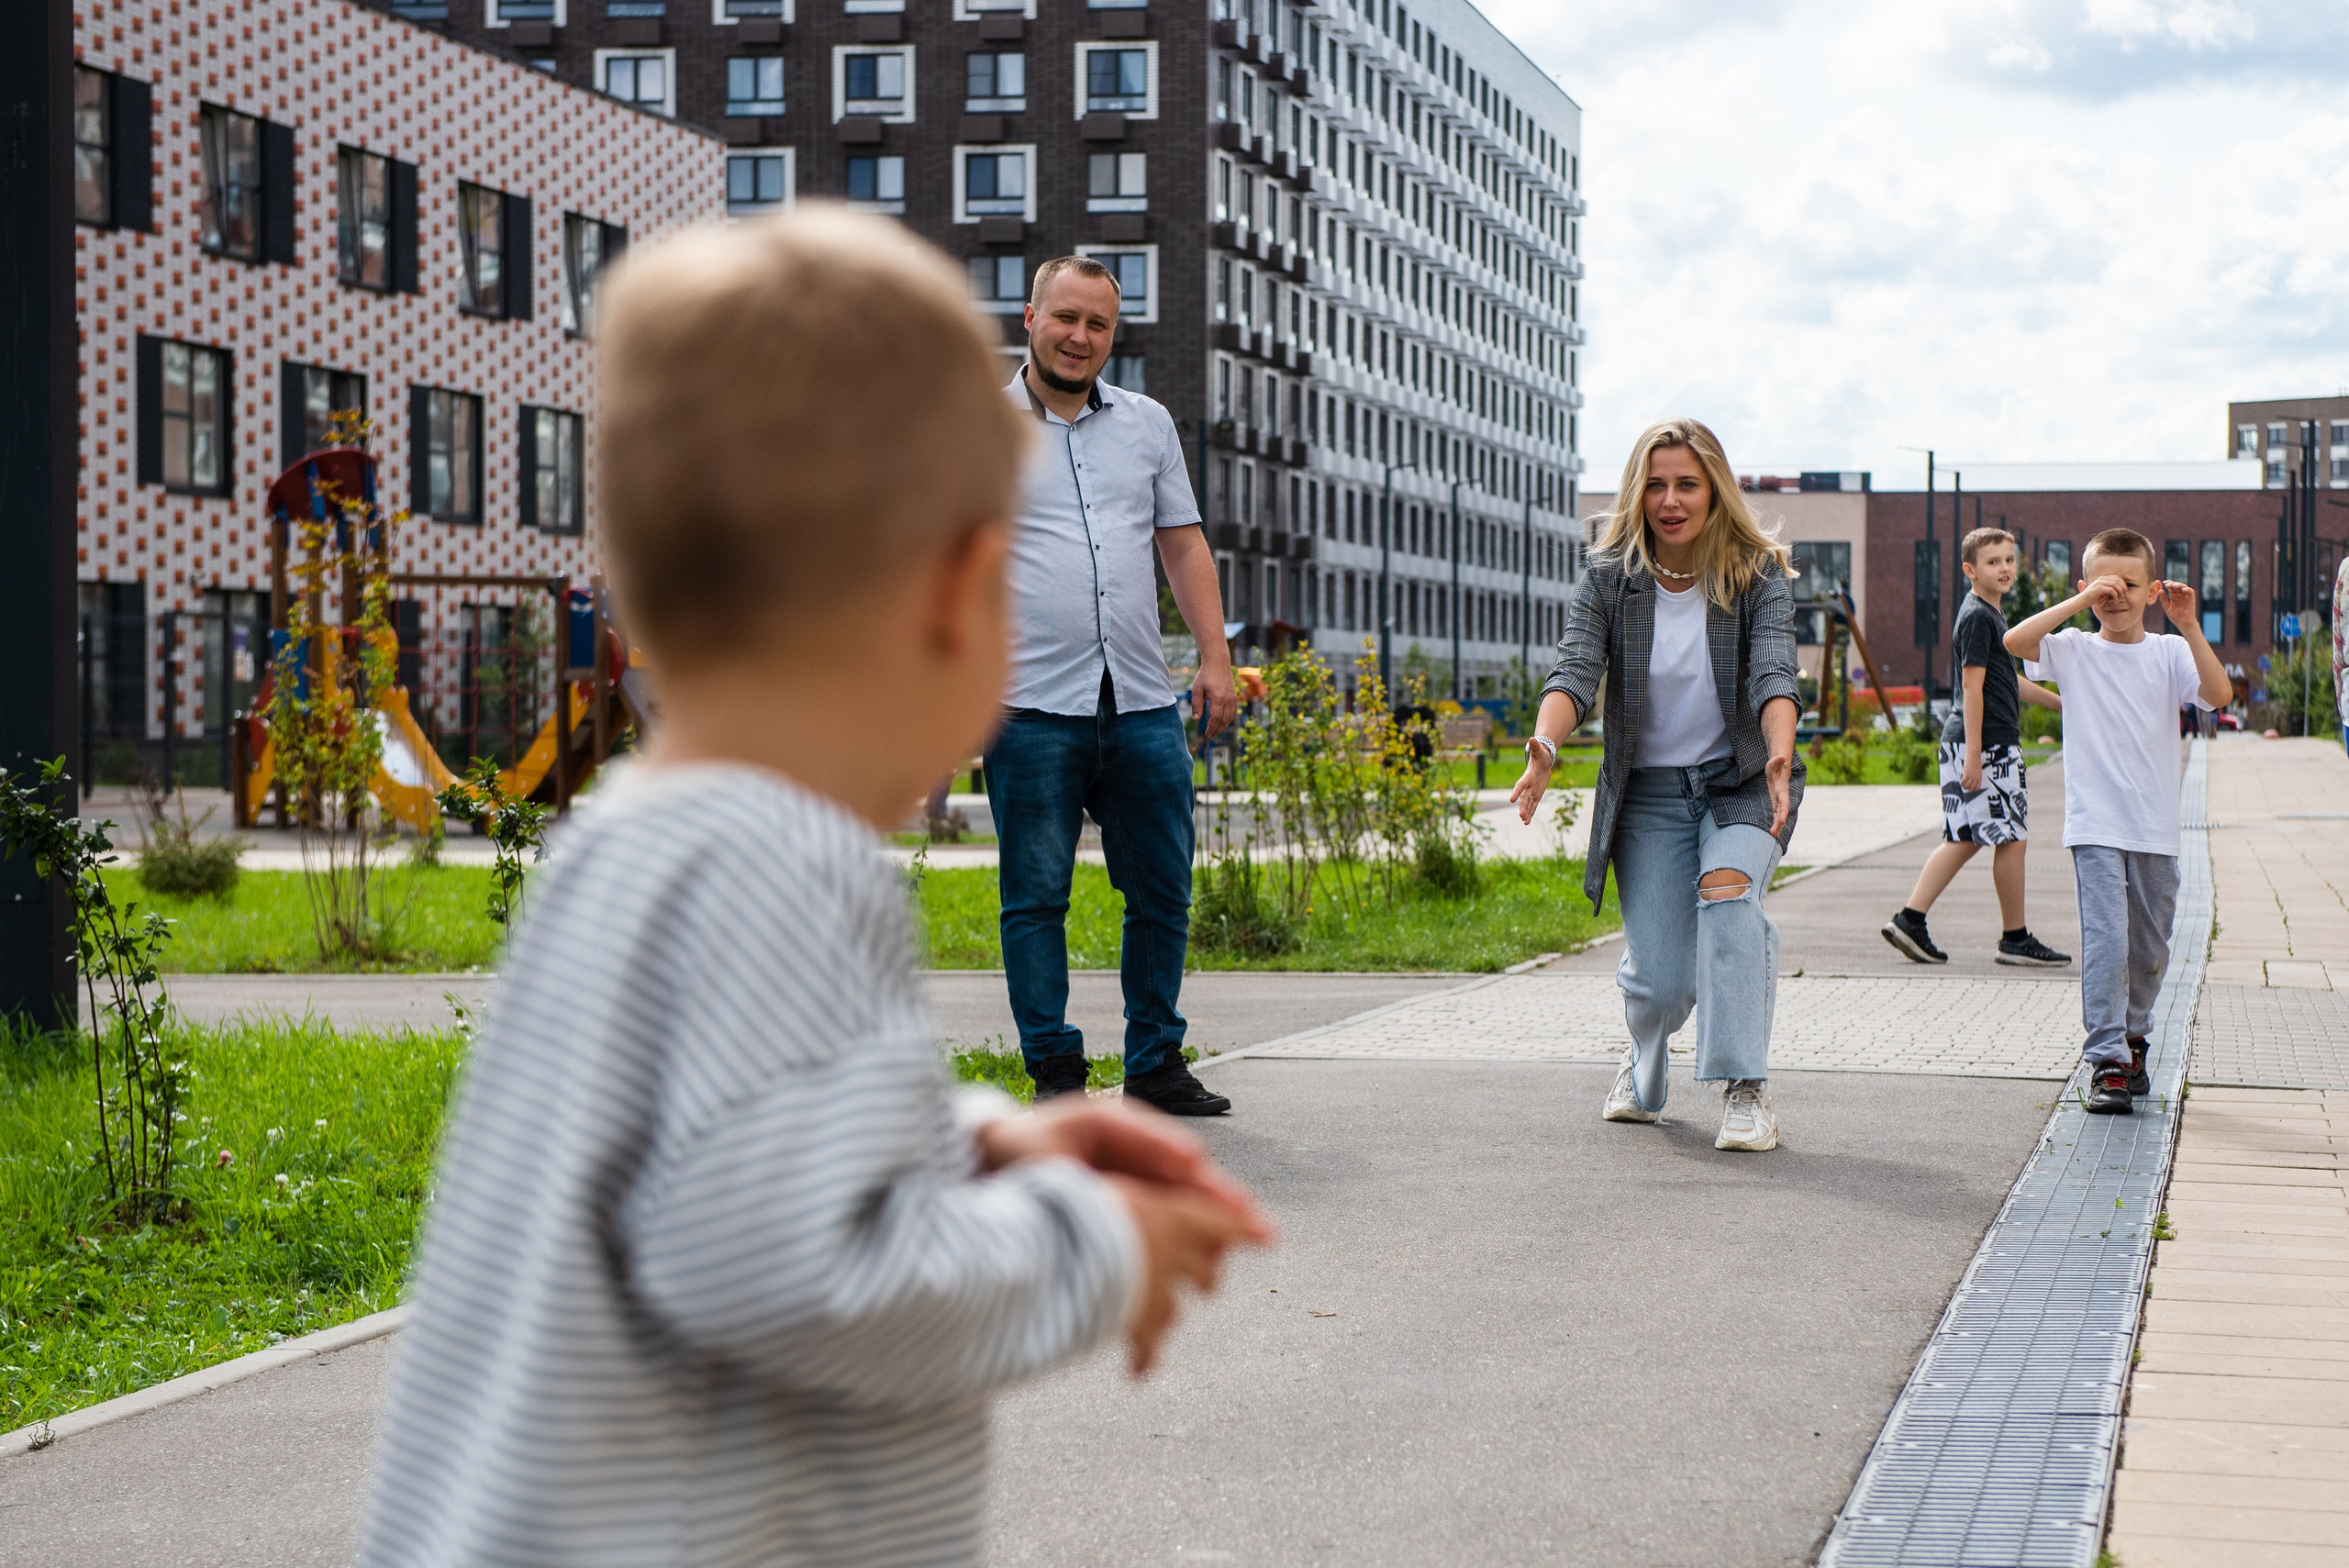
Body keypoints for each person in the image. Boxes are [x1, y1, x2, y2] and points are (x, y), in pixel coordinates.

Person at [358, 211, 1271, 1568]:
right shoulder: (789, 866)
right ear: (967, 595)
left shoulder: (637, 836)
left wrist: (966, 1145)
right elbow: (792, 1275)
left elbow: (703, 1150)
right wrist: (1093, 1241)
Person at [987, 257, 1240, 1116]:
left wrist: (1212, 659)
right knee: (1034, 897)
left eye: (1097, 324)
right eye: (1065, 317)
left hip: (1138, 700)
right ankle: (1057, 1076)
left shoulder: (1147, 424)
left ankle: (1155, 1062)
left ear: (1112, 332)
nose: (1079, 336)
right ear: (1030, 315)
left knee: (1164, 887)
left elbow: (1182, 546)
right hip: (1025, 707)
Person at [1510, 417, 1803, 1152]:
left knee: (1729, 894)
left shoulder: (1756, 572)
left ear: (1715, 491)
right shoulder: (1612, 576)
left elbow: (1773, 666)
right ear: (1638, 492)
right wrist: (1545, 743)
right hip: (1647, 793)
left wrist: (1778, 749)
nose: (1670, 500)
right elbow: (1576, 668)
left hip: (1740, 780)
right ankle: (1642, 1060)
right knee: (1665, 983)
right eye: (1657, 484)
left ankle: (1746, 1088)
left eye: (1687, 484)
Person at [2004, 527, 2231, 1115]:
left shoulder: (2170, 652)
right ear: (2085, 587)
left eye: (2130, 584)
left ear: (2152, 589)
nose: (2117, 594)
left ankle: (2134, 1038)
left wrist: (2188, 624)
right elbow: (2014, 640)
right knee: (2108, 942)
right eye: (2104, 584)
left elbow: (2219, 693)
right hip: (2095, 823)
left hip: (2155, 826)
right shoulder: (2075, 648)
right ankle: (2106, 1060)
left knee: (2151, 948)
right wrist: (2079, 603)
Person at [1882, 527, 2069, 966]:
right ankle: (2014, 937)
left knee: (1969, 836)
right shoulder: (1978, 617)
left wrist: (2062, 703)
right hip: (1987, 747)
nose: (2004, 568)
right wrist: (1974, 754)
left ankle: (1912, 919)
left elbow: (2009, 681)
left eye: (2008, 560)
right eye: (1992, 562)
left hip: (1980, 744)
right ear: (1970, 570)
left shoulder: (1989, 615)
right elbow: (1972, 686)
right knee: (2009, 836)